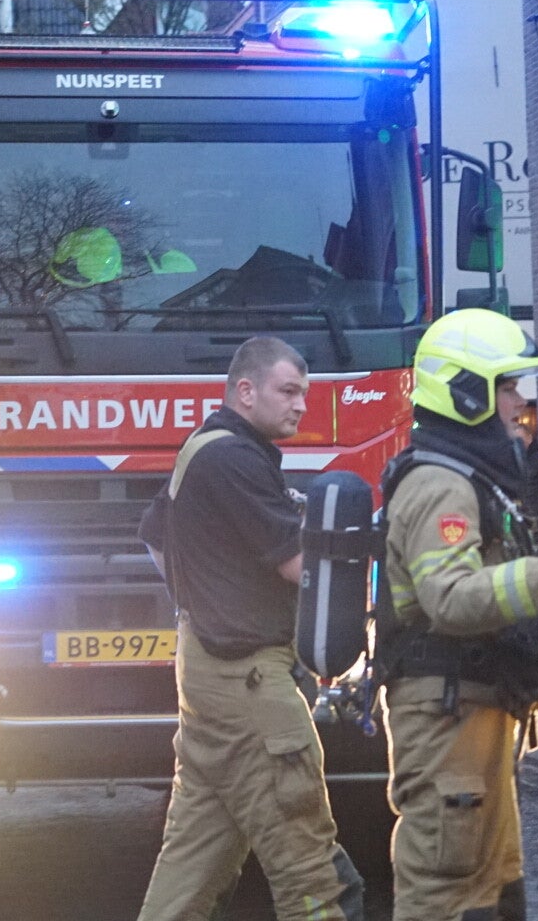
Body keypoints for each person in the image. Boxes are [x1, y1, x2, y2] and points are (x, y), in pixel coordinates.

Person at [378, 308, 538, 920]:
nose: (521, 402)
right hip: (447, 717)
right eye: (507, 386)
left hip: (474, 711)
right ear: (467, 394)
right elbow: (450, 597)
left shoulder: (474, 479)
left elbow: (499, 583)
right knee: (446, 892)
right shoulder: (440, 485)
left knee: (492, 889)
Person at [135, 336, 364, 921]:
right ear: (245, 390)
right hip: (249, 685)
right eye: (288, 391)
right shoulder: (235, 460)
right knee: (309, 869)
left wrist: (203, 603)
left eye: (303, 394)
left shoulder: (203, 447)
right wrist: (366, 553)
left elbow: (155, 538)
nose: (300, 405)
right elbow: (299, 566)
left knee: (191, 867)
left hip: (206, 675)